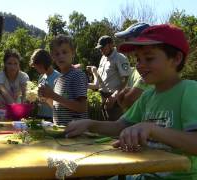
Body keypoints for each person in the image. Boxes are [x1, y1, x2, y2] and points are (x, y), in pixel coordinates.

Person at [65, 24, 197, 179]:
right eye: (138, 59)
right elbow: (119, 126)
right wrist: (89, 124)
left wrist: (152, 129)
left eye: (149, 58)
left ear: (176, 58)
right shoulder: (147, 96)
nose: (140, 65)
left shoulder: (189, 90)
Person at [38, 34, 88, 126]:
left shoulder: (77, 75)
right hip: (61, 132)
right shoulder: (58, 80)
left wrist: (53, 95)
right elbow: (56, 106)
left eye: (64, 52)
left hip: (76, 134)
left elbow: (82, 107)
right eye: (57, 54)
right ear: (53, 57)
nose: (60, 56)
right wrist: (47, 97)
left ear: (73, 53)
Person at [87, 35, 131, 121]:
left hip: (115, 99)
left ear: (111, 45)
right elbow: (101, 79)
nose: (101, 50)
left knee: (116, 126)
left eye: (103, 47)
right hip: (103, 97)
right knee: (107, 124)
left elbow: (126, 79)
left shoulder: (120, 58)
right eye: (100, 48)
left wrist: (114, 97)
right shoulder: (103, 57)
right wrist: (94, 71)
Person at [114, 22, 152, 110]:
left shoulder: (147, 70)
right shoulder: (135, 69)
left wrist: (123, 96)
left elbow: (127, 101)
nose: (125, 42)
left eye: (127, 39)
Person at [30, 49, 60, 121]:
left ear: (43, 64)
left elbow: (60, 104)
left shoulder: (58, 78)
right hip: (40, 116)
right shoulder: (41, 77)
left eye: (37, 67)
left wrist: (47, 96)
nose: (36, 69)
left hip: (52, 117)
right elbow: (39, 98)